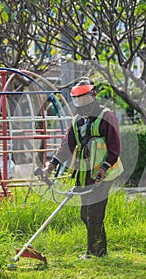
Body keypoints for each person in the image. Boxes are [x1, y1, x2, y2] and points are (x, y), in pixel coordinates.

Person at [43, 78, 123, 259]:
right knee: (85, 214)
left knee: (93, 213)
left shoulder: (107, 117)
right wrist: (52, 165)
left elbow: (114, 148)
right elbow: (67, 146)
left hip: (105, 173)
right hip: (85, 173)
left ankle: (92, 253)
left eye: (84, 99)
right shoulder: (77, 120)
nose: (81, 103)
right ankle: (100, 250)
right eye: (78, 100)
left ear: (93, 95)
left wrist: (103, 169)